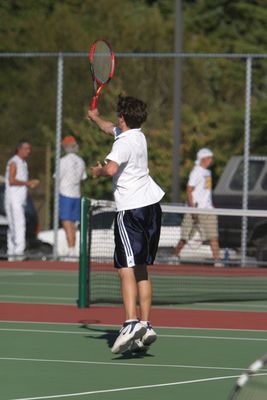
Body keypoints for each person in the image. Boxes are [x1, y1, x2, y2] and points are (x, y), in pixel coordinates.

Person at [88, 95, 165, 354]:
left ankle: (131, 323)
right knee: (140, 267)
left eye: (118, 115)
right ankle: (145, 324)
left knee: (124, 268)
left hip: (130, 210)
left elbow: (110, 169)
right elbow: (111, 128)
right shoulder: (138, 136)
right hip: (151, 208)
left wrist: (97, 170)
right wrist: (95, 118)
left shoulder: (122, 144)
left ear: (123, 117)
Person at [174, 148, 222, 266]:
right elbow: (189, 191)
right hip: (194, 209)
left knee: (213, 237)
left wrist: (210, 204)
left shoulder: (208, 172)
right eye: (209, 158)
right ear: (203, 159)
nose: (211, 160)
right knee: (185, 237)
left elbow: (206, 192)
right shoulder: (196, 172)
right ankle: (174, 256)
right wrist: (192, 209)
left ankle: (218, 261)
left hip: (208, 210)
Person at [5, 140, 39, 260]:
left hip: (18, 199)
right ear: (19, 149)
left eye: (29, 149)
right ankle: (18, 253)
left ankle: (11, 253)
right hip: (14, 199)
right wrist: (28, 183)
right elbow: (11, 180)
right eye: (26, 148)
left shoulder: (23, 163)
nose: (28, 151)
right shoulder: (14, 162)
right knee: (19, 225)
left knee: (14, 226)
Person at [59, 135, 87, 258]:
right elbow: (83, 177)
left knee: (67, 224)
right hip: (76, 195)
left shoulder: (63, 161)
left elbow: (57, 177)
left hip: (65, 194)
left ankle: (71, 251)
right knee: (73, 225)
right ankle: (73, 250)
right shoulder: (81, 161)